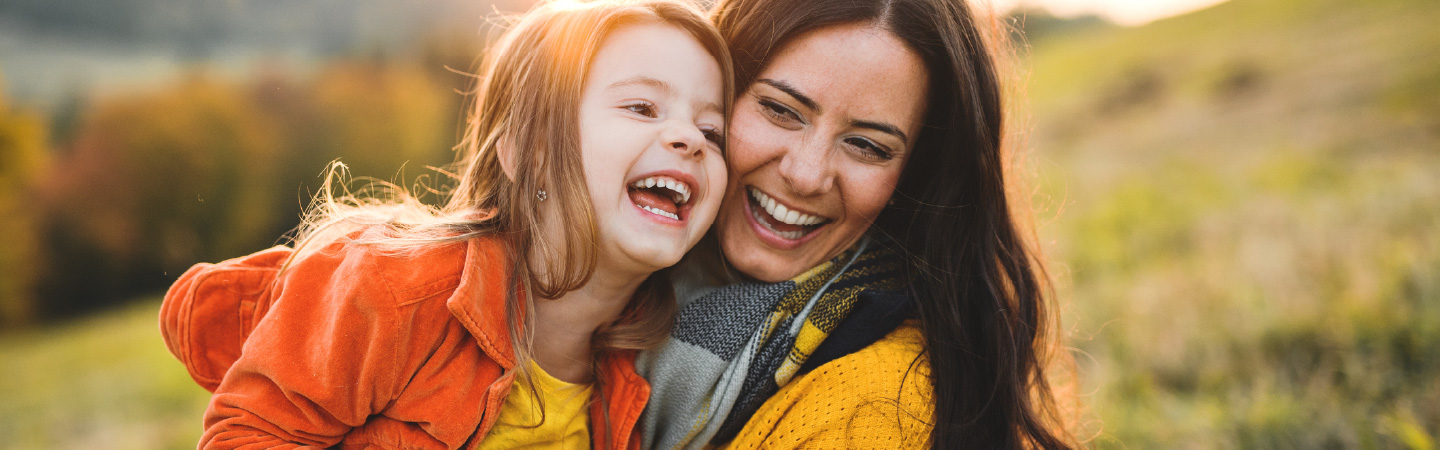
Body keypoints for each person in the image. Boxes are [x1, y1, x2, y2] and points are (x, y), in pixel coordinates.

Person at [158, 0, 732, 448]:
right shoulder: (393, 291)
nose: (689, 139)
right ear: (525, 150)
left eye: (713, 132)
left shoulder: (641, 376)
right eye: (641, 107)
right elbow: (248, 436)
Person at [638, 0, 1078, 448]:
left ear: (916, 175)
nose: (807, 175)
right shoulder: (609, 276)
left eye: (867, 145)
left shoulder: (873, 408)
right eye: (781, 110)